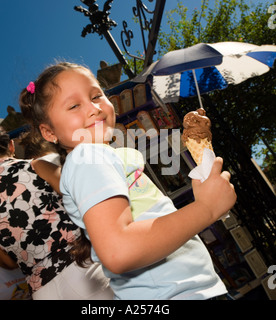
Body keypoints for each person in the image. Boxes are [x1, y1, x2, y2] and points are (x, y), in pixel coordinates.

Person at [19, 62, 237, 300]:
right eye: (74, 106)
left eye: (96, 95)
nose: (93, 108)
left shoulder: (100, 158)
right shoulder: (87, 157)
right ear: (49, 133)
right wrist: (206, 208)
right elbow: (118, 251)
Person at [0, 113, 113, 300]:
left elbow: (8, 261)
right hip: (83, 267)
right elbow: (83, 203)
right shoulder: (36, 166)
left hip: (42, 291)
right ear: (11, 146)